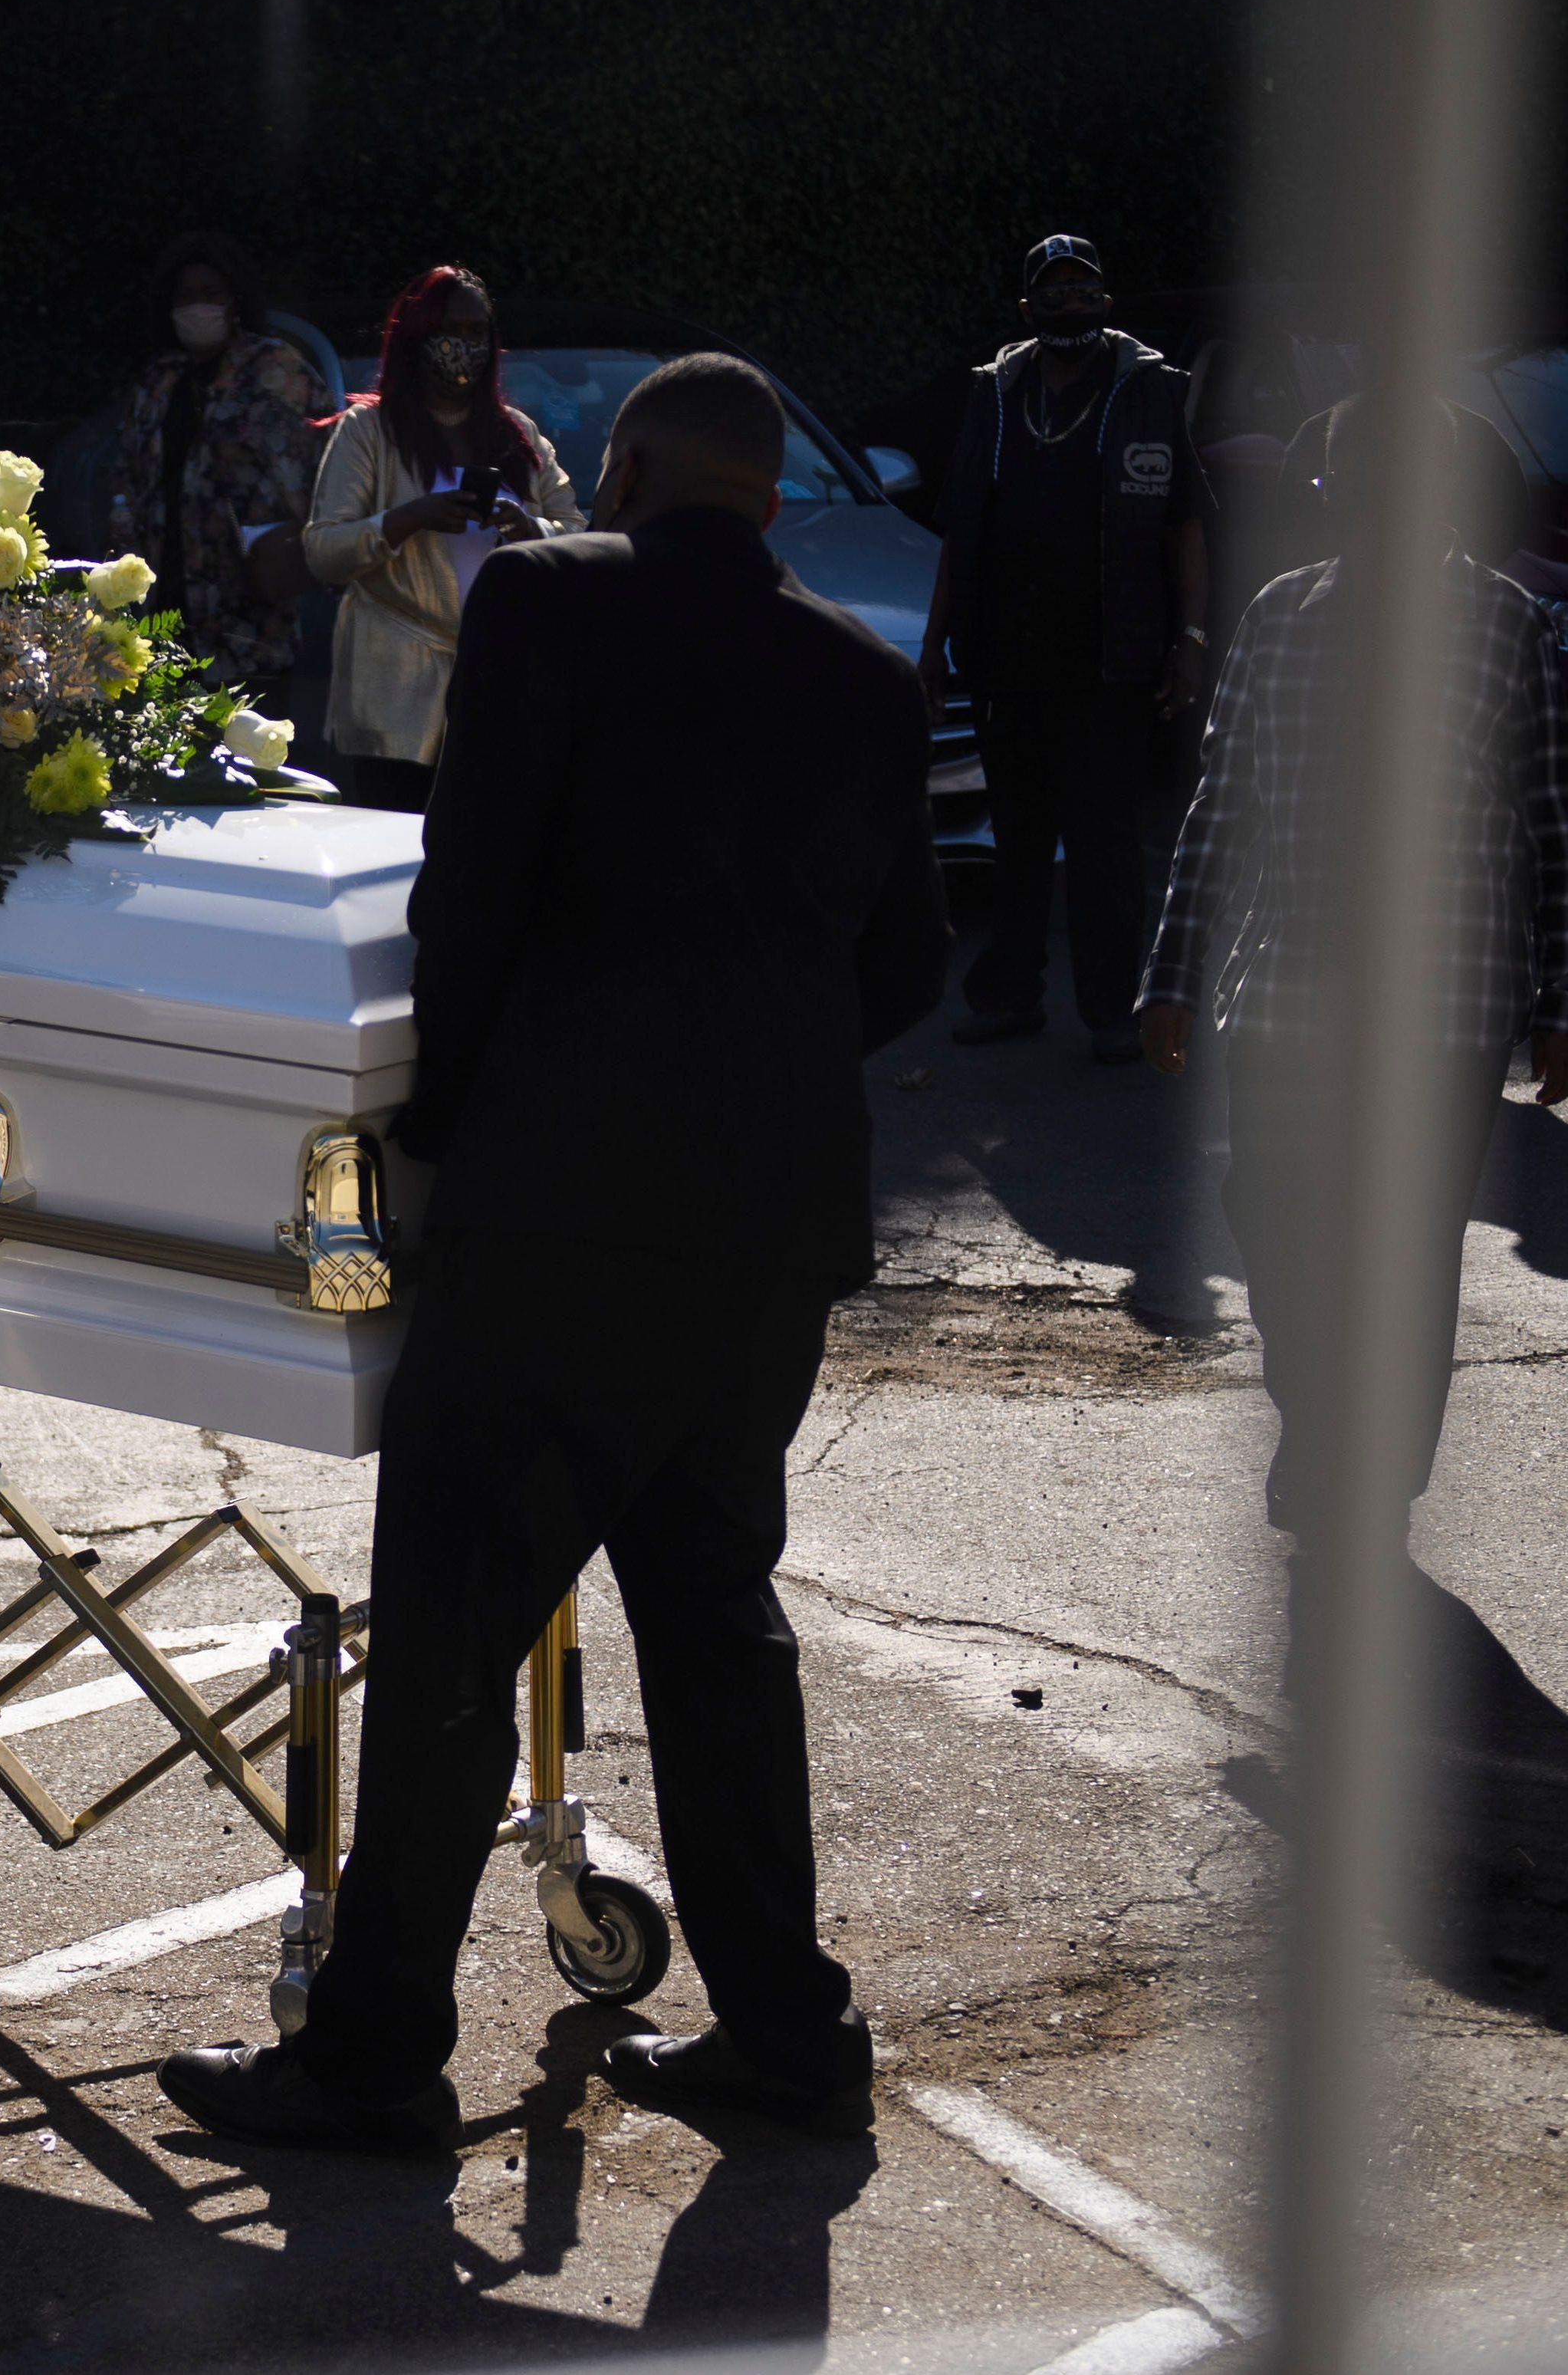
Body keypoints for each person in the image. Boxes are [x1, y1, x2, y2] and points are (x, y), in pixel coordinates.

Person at [159, 354, 948, 2152]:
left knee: (449, 1624)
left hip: (560, 1208)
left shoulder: (546, 598)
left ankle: (369, 2055)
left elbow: (472, 879)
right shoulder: (863, 672)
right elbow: (899, 964)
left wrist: (442, 1121)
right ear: (760, 491)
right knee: (712, 1621)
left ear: (638, 463)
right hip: (762, 1227)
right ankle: (784, 2033)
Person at [1139, 390, 1568, 1558]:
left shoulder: (1506, 623)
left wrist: (1559, 1005)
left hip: (1446, 1004)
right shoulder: (1277, 616)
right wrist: (1169, 976)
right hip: (1282, 995)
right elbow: (1218, 808)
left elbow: (1553, 824)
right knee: (1272, 1218)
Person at [923, 235, 1210, 1061]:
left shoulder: (1147, 389)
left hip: (1109, 664)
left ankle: (1112, 1011)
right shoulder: (994, 394)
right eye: (1054, 291)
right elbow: (958, 531)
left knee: (1103, 844)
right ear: (1026, 308)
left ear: (1105, 300)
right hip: (1005, 663)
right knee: (1015, 841)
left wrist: (1189, 640)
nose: (1071, 303)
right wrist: (936, 645)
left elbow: (1186, 524)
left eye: (1084, 289)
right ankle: (1009, 997)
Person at [301, 264, 582, 811]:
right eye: (451, 329)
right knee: (398, 848)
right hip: (395, 693)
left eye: (479, 333)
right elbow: (323, 551)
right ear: (417, 335)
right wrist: (412, 517)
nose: (465, 345)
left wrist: (531, 529)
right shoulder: (369, 431)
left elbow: (578, 535)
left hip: (503, 682)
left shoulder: (517, 435)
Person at [97, 234, 333, 701]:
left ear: (234, 299)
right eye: (186, 296)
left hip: (249, 620)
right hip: (166, 611)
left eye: (211, 294)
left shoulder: (276, 369)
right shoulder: (159, 379)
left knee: (253, 758)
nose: (198, 306)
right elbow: (127, 472)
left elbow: (323, 467)